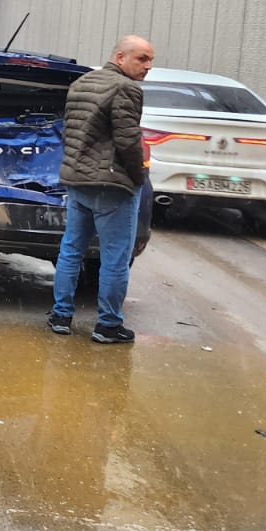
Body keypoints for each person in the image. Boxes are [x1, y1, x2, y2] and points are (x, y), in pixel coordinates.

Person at [48, 34, 155, 344]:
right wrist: (138, 177)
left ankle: (61, 316)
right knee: (115, 258)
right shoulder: (127, 88)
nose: (148, 66)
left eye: (150, 60)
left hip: (78, 180)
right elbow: (127, 140)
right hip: (111, 185)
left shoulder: (81, 83)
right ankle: (108, 325)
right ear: (120, 57)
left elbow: (70, 131)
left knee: (71, 249)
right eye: (142, 58)